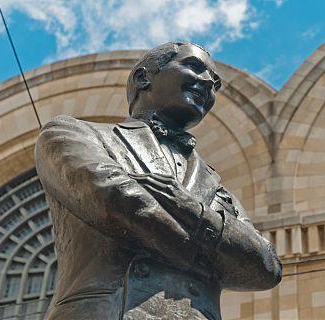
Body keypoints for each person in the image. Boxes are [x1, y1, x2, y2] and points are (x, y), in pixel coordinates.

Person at [35, 42, 282, 320]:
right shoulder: (74, 133)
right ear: (144, 78)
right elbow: (115, 200)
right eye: (195, 67)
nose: (207, 84)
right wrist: (212, 254)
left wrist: (194, 211)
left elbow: (266, 266)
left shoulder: (215, 184)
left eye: (215, 83)